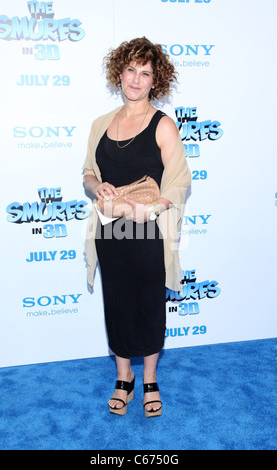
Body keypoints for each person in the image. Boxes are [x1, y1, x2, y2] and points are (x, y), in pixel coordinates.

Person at [83, 37, 191, 417]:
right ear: (120, 73)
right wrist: (99, 186)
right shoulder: (101, 124)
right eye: (131, 69)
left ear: (155, 81)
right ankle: (123, 377)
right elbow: (88, 173)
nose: (136, 79)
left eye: (145, 73)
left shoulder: (163, 125)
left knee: (147, 305)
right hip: (110, 232)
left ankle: (149, 379)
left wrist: (157, 206)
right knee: (116, 304)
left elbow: (179, 181)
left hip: (147, 233)